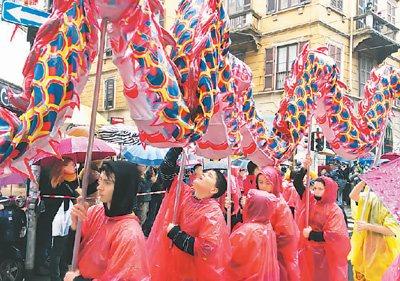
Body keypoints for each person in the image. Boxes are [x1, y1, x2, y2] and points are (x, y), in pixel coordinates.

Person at [147, 148, 231, 281]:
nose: (203, 174)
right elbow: (166, 174)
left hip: (190, 272)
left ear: (214, 189)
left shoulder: (213, 213)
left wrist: (176, 234)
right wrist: (176, 149)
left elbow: (206, 248)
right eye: (205, 172)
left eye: (210, 176)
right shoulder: (183, 192)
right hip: (168, 263)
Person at [64, 161, 150, 280]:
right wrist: (75, 226)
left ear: (123, 188)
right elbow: (68, 255)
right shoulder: (95, 212)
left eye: (107, 182)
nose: (99, 187)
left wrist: (76, 280)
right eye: (100, 180)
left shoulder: (129, 234)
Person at [294, 157, 350, 281]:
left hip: (325, 257)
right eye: (315, 188)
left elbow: (336, 235)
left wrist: (312, 234)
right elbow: (297, 184)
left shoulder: (334, 210)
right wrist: (304, 167)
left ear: (328, 190)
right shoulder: (310, 200)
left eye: (320, 189)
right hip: (307, 252)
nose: (316, 192)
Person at [36, 158, 79, 280]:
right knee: (51, 244)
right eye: (72, 165)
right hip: (54, 216)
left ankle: (55, 270)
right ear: (63, 166)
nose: (75, 167)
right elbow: (71, 193)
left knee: (58, 245)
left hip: (63, 217)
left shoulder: (72, 179)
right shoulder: (56, 179)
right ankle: (51, 271)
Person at [349, 181, 400, 281]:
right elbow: (353, 195)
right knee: (364, 274)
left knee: (379, 276)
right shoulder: (371, 197)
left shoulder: (394, 203)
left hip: (383, 250)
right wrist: (364, 181)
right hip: (366, 246)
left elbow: (391, 230)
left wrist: (367, 226)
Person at [256, 166, 300, 281]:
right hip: (260, 251)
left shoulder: (279, 204)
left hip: (276, 254)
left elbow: (287, 236)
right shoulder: (259, 200)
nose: (263, 186)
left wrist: (267, 240)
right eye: (260, 182)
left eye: (267, 183)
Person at [226, 189, 280, 281]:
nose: (245, 202)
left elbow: (227, 255)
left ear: (254, 206)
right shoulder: (267, 226)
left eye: (248, 202)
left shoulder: (247, 231)